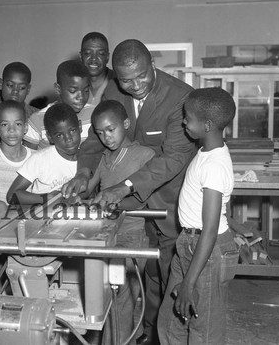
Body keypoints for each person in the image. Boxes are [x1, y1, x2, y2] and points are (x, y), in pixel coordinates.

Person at [62, 39, 197, 345]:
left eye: (142, 76)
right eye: (126, 79)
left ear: (153, 66)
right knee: (140, 273)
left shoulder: (179, 97)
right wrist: (84, 171)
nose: (135, 85)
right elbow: (98, 136)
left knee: (166, 271)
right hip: (125, 203)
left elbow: (173, 158)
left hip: (167, 197)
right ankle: (145, 333)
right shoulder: (114, 90)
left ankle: (163, 336)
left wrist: (123, 186)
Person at [157, 88, 238, 345]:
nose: (183, 121)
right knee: (171, 320)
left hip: (207, 249)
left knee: (204, 328)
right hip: (189, 243)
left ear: (207, 125)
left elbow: (211, 229)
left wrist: (189, 283)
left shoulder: (215, 165)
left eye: (188, 117)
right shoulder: (203, 152)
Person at [78, 100, 155, 344]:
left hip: (132, 235)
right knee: (105, 298)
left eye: (111, 130)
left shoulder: (145, 155)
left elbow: (146, 198)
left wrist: (113, 201)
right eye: (100, 133)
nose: (106, 137)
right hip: (105, 235)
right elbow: (88, 190)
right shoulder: (104, 158)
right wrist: (75, 189)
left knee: (123, 297)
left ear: (126, 124)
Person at [7, 103, 80, 205]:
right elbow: (12, 196)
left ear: (80, 127)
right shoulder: (41, 159)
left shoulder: (87, 158)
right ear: (50, 137)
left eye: (72, 131)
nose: (68, 139)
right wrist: (48, 197)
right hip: (40, 215)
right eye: (59, 135)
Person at [24, 60, 95, 150]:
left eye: (86, 90)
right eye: (73, 91)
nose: (81, 97)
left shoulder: (95, 115)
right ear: (58, 89)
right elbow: (28, 159)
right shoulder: (37, 121)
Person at [80, 32, 115, 105]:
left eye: (101, 53)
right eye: (88, 53)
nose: (93, 59)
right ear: (81, 56)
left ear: (107, 57)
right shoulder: (74, 84)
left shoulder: (118, 83)